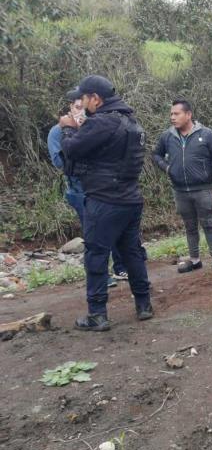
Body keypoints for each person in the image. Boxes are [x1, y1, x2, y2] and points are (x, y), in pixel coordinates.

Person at [59, 75, 153, 331]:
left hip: (104, 200)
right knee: (132, 252)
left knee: (96, 255)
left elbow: (72, 149)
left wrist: (67, 127)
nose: (81, 103)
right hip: (131, 200)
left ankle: (97, 314)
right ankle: (144, 305)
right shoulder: (132, 123)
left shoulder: (101, 122)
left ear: (96, 99)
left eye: (83, 98)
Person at [48, 93, 129, 288]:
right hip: (79, 191)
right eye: (76, 106)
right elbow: (60, 162)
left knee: (115, 227)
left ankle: (121, 267)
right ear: (70, 108)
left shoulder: (95, 126)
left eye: (82, 106)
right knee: (93, 235)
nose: (80, 110)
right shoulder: (57, 132)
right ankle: (102, 276)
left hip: (103, 186)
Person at [152, 99, 212, 273]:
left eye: (176, 114)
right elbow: (156, 155)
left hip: (203, 189)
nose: (172, 117)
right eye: (171, 114)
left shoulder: (206, 134)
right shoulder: (168, 136)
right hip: (180, 191)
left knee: (208, 223)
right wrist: (167, 167)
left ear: (188, 114)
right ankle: (195, 260)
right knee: (190, 226)